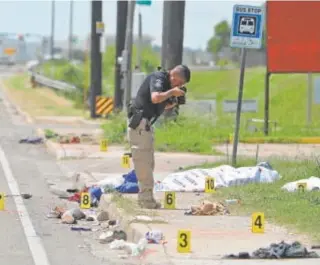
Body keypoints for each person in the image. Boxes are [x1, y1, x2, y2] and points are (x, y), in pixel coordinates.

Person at [127, 65, 191, 209]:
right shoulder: (158, 78)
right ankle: (145, 200)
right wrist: (172, 92)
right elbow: (155, 98)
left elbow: (162, 105)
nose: (179, 86)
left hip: (146, 125)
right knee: (143, 163)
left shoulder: (167, 85)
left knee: (149, 163)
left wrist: (174, 100)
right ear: (173, 75)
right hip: (140, 124)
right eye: (179, 83)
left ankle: (146, 198)